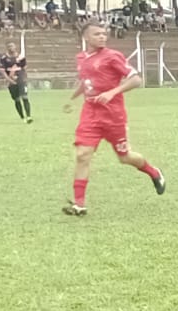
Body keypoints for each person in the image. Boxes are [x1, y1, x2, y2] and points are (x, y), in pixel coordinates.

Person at [60, 23, 166, 216]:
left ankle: (153, 172)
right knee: (82, 155)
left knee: (125, 157)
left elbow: (136, 79)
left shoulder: (112, 56)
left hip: (113, 116)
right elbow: (86, 81)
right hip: (90, 114)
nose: (102, 37)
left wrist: (112, 92)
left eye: (104, 34)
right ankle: (79, 204)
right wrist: (71, 98)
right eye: (97, 34)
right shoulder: (82, 58)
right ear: (86, 37)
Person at [0, 41, 32, 122]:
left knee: (25, 97)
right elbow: (3, 72)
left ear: (15, 47)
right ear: (7, 48)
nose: (11, 48)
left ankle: (29, 116)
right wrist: (9, 80)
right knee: (17, 99)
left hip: (21, 80)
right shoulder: (4, 58)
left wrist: (25, 78)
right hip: (12, 82)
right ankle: (22, 117)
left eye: (12, 46)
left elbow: (24, 68)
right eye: (9, 46)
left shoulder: (21, 57)